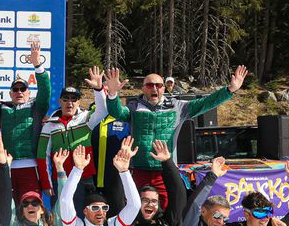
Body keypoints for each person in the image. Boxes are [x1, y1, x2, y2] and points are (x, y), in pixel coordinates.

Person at [104, 66, 246, 207]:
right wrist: (112, 94)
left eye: (159, 85)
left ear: (164, 88)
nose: (154, 88)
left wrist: (229, 90)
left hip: (166, 169)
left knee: (169, 208)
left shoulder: (178, 107)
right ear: (143, 88)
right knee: (137, 208)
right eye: (150, 85)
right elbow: (117, 112)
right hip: (139, 169)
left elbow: (206, 103)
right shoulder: (134, 107)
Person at [0, 41, 51, 203]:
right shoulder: (3, 108)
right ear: (10, 93)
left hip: (30, 166)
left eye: (23, 89)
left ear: (28, 92)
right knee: (7, 207)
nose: (19, 92)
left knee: (30, 205)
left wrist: (37, 65)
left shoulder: (37, 107)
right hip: (6, 164)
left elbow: (45, 90)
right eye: (15, 90)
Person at [37, 67, 108, 208]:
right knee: (61, 216)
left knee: (85, 215)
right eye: (66, 99)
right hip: (61, 177)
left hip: (84, 178)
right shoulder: (49, 125)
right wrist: (46, 183)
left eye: (74, 99)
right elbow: (42, 156)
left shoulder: (86, 118)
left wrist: (98, 89)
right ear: (60, 101)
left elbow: (103, 111)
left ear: (79, 102)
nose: (69, 102)